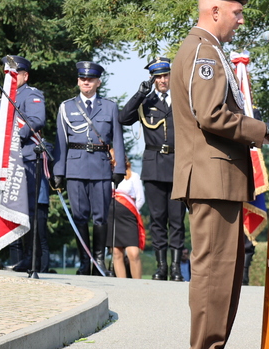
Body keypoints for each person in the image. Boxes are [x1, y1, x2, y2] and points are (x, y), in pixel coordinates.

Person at [171, 0, 269, 349]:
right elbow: (210, 115)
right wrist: (263, 130)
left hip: (216, 177)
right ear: (215, 11)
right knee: (213, 271)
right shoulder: (203, 51)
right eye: (236, 13)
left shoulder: (206, 49)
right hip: (211, 177)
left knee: (223, 270)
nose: (241, 20)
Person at [53, 61, 126, 275]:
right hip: (75, 168)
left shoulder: (109, 107)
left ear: (98, 82)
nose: (86, 82)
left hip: (101, 167)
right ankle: (85, 261)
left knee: (101, 216)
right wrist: (58, 171)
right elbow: (60, 141)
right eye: (83, 79)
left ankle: (99, 260)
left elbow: (118, 140)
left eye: (91, 79)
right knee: (79, 216)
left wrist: (119, 168)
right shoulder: (67, 107)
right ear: (78, 81)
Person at [118, 56, 186, 281]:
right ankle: (161, 267)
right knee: (157, 219)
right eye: (158, 77)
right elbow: (123, 118)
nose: (163, 80)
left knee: (176, 220)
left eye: (165, 75)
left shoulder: (182, 99)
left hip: (177, 165)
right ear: (152, 79)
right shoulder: (146, 102)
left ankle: (176, 268)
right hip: (154, 165)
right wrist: (140, 94)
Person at [0, 55, 47, 273]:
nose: (10, 77)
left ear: (24, 76)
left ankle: (32, 258)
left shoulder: (31, 94)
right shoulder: (4, 97)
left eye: (14, 73)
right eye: (7, 73)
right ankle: (17, 257)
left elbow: (36, 120)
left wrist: (15, 135)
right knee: (13, 208)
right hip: (8, 160)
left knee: (30, 210)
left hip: (26, 158)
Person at [107, 160, 146, 279]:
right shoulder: (106, 175)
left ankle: (138, 284)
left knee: (134, 253)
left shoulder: (134, 176)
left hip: (128, 219)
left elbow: (140, 199)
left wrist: (131, 211)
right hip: (112, 218)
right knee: (116, 253)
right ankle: (122, 284)